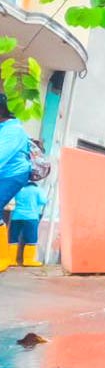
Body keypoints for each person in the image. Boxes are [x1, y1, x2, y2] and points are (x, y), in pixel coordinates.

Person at [0, 93, 31, 273]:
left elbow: (1, 155)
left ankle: (3, 258)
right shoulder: (4, 128)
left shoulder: (14, 130)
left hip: (13, 175)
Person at [8, 179, 47, 267]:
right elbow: (44, 201)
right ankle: (28, 260)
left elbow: (11, 199)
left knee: (13, 238)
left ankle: (11, 260)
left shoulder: (18, 189)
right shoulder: (36, 190)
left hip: (16, 216)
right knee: (31, 239)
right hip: (31, 217)